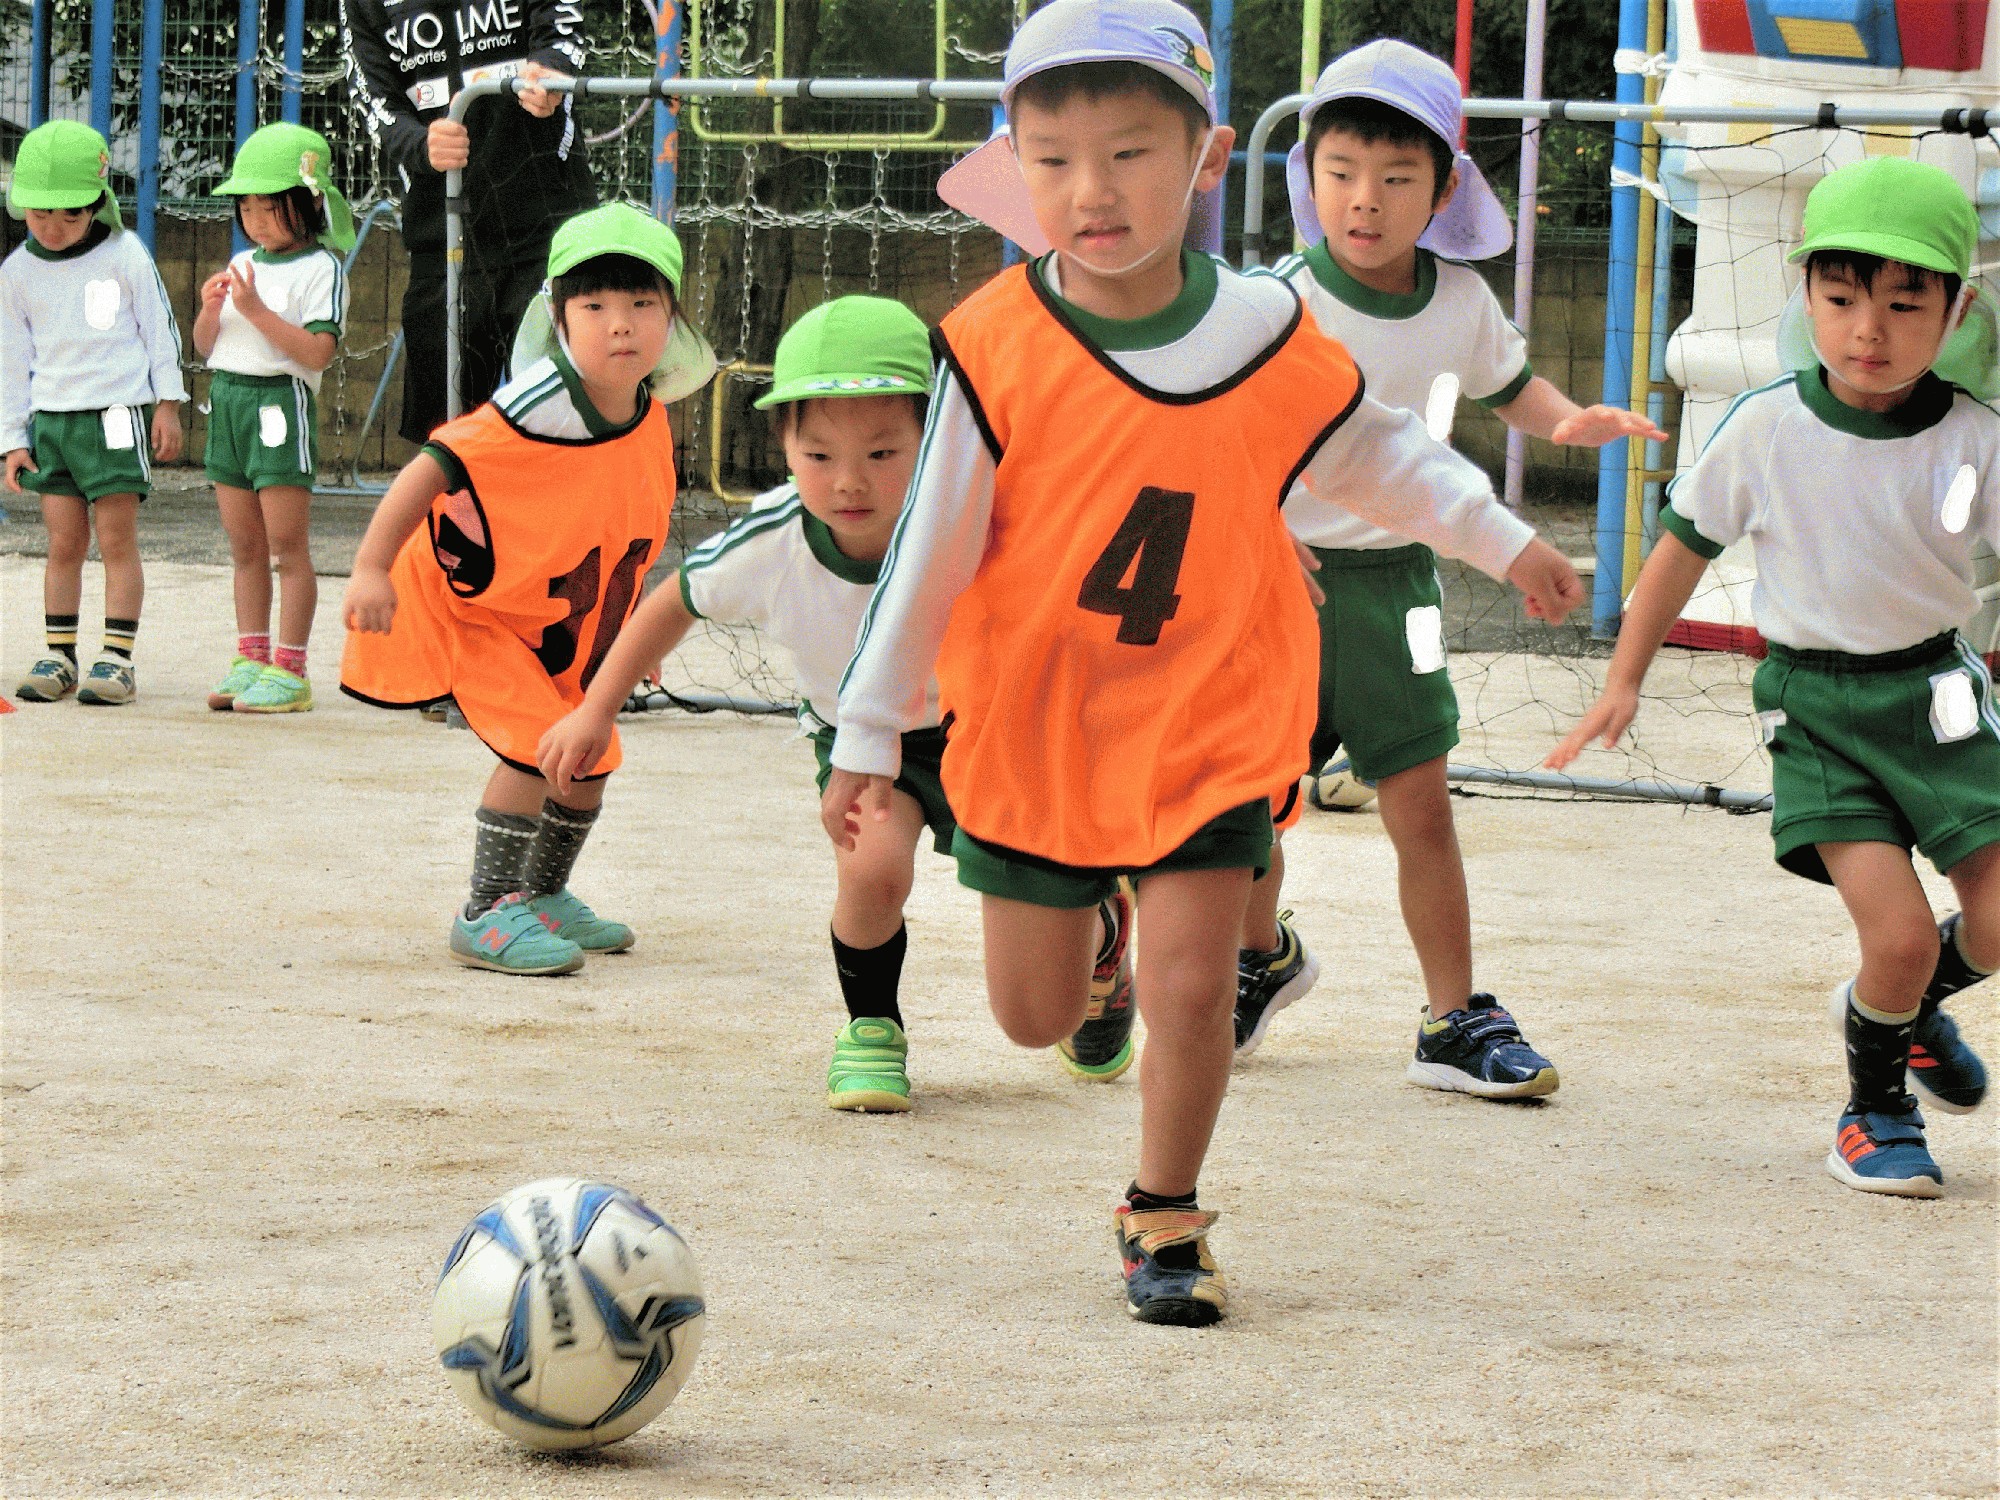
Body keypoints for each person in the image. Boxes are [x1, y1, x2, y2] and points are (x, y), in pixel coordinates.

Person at [822, 0, 1583, 1325]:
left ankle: (1164, 1213)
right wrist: (872, 731)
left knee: (1195, 985)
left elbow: (1383, 454)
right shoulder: (994, 345)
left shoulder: (1267, 333)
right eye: (1053, 158)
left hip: (1214, 706)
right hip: (1043, 716)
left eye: (1129, 152)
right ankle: (1094, 935)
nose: (1092, 190)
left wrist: (1506, 540)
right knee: (1027, 1012)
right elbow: (931, 552)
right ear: (1017, 165)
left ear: (1210, 157)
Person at [1551, 157, 2000, 1198]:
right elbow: (1677, 549)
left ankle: (1916, 1005)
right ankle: (1872, 1108)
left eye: (1901, 304)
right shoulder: (1761, 426)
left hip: (1939, 700)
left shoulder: (1975, 437)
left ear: (1955, 307)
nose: (1867, 330)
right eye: (1840, 300)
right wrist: (1622, 679)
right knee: (1887, 938)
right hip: (1817, 705)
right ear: (1802, 296)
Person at [1233, 41, 1668, 1091]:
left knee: (1419, 804)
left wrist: (1569, 422)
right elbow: (1226, 433)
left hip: (1400, 591)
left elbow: (1508, 384)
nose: (1364, 200)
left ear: (1441, 188)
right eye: (1338, 172)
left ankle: (1451, 1019)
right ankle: (1258, 959)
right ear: (1307, 179)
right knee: (1241, 807)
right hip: (1270, 590)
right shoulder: (1275, 302)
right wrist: (1253, 528)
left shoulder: (1460, 301)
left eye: (1394, 178)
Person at [540, 295, 960, 1111]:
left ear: (935, 439)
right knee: (871, 870)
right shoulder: (771, 540)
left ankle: (1095, 946)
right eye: (818, 453)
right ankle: (872, 1027)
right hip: (862, 740)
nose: (849, 481)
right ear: (783, 446)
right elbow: (670, 604)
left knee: (1047, 920)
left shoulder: (970, 518)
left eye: (883, 452)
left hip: (993, 729)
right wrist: (594, 708)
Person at [341, 203, 716, 975]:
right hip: (474, 605)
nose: (621, 325)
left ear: (672, 317)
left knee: (590, 754)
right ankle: (484, 911)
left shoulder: (646, 413)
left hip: (553, 613)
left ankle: (543, 895)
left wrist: (624, 643)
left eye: (643, 304)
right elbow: (433, 467)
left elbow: (623, 537)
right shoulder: (536, 406)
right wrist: (371, 566)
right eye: (596, 305)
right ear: (558, 315)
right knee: (529, 748)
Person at [339, 0, 593, 439]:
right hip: (441, 235)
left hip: (548, 228)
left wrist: (550, 70)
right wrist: (420, 143)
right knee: (443, 429)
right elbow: (372, 94)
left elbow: (562, 26)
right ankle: (454, 508)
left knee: (563, 414)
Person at [3, 120, 185, 706]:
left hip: (113, 415)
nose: (53, 228)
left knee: (115, 539)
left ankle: (117, 658)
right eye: (39, 215)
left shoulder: (124, 253)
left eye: (70, 215)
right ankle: (59, 655)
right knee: (62, 542)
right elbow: (9, 360)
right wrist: (12, 438)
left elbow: (159, 330)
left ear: (98, 204)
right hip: (50, 423)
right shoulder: (15, 273)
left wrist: (168, 403)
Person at [193, 124, 355, 714]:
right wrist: (211, 311)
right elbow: (208, 346)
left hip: (277, 406)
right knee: (244, 546)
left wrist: (255, 310)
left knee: (288, 546)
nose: (256, 220)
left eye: (272, 208)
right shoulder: (241, 261)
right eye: (248, 207)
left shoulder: (321, 269)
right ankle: (251, 658)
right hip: (228, 402)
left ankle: (291, 668)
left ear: (310, 204)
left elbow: (316, 352)